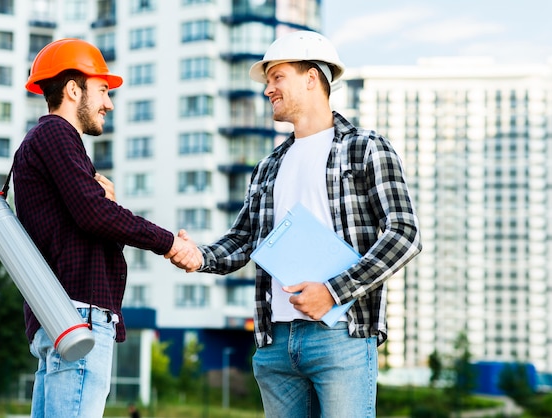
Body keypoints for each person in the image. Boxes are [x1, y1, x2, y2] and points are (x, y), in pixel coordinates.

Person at [169, 30, 421, 417]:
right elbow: (243, 240)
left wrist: (334, 291)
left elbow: (405, 234)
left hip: (341, 336)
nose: (268, 89)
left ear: (312, 77)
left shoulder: (366, 148)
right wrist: (198, 255)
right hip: (276, 342)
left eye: (277, 77)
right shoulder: (268, 166)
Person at [12, 38, 195, 418]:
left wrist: (106, 206)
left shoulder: (45, 143)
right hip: (78, 315)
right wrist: (167, 243)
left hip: (61, 315)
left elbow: (87, 217)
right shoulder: (56, 134)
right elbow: (92, 215)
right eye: (102, 91)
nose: (109, 104)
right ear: (73, 89)